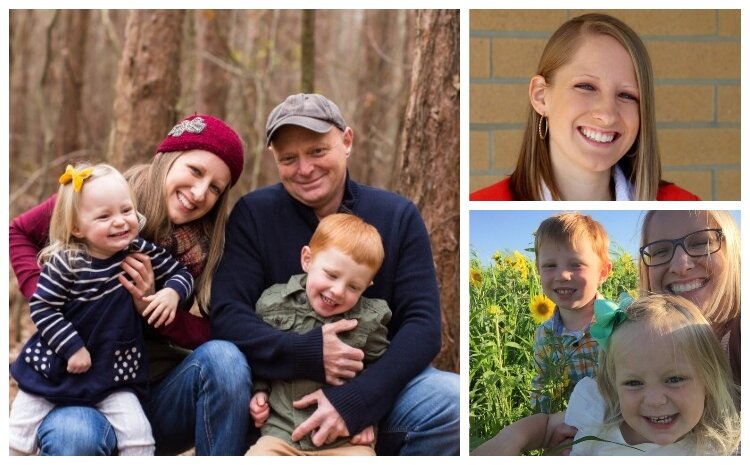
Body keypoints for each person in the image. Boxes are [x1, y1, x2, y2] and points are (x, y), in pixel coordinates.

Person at [211, 93, 460, 455]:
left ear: (346, 141)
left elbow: (422, 328)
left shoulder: (396, 216)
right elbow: (228, 315)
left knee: (450, 401)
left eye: (316, 151)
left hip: (373, 395)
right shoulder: (255, 214)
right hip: (278, 407)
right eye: (289, 159)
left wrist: (358, 402)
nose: (305, 168)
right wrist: (305, 352)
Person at [9, 114, 251, 455]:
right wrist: (50, 298)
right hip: (80, 389)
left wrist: (154, 306)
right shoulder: (105, 197)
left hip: (151, 391)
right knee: (76, 435)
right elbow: (18, 231)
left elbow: (218, 330)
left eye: (215, 188)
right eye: (195, 171)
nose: (199, 193)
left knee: (225, 358)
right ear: (169, 157)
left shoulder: (211, 246)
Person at [9, 164, 194, 455]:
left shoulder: (137, 249)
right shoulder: (66, 262)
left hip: (113, 370)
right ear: (76, 227)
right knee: (17, 440)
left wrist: (171, 292)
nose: (120, 222)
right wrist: (72, 347)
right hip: (56, 365)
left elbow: (182, 274)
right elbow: (43, 307)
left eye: (126, 210)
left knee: (139, 438)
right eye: (104, 216)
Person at [470, 13, 699, 201]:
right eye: (586, 86)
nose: (607, 115)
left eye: (627, 95)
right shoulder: (480, 207)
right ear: (541, 96)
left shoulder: (685, 209)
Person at [474, 294, 740, 455]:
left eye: (674, 379)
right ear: (613, 385)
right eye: (634, 383)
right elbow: (544, 427)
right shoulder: (600, 414)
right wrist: (508, 440)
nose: (656, 399)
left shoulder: (713, 448)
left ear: (708, 379)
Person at [246, 213, 390, 456]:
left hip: (344, 443)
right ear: (307, 259)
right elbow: (261, 357)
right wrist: (259, 391)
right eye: (331, 275)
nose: (337, 291)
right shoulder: (273, 304)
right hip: (281, 437)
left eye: (354, 286)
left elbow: (382, 374)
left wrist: (367, 415)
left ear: (367, 287)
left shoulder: (370, 321)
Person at [640, 210, 740, 397]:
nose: (680, 266)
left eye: (701, 243)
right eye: (660, 251)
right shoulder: (636, 345)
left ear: (732, 248)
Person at [531, 212, 612, 413]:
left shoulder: (617, 323)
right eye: (550, 265)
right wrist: (545, 426)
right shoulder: (544, 334)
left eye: (576, 265)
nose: (562, 275)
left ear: (602, 272)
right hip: (565, 434)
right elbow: (543, 386)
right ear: (538, 270)